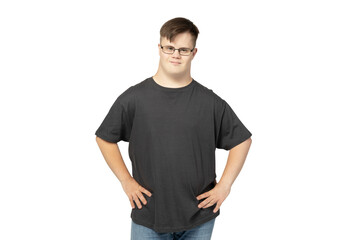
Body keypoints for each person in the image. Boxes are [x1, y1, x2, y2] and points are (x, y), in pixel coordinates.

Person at [95, 17, 252, 240]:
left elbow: (242, 140)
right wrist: (126, 181)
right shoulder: (134, 98)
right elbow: (105, 137)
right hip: (149, 214)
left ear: (194, 53)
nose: (175, 54)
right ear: (159, 49)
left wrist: (225, 185)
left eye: (183, 49)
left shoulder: (210, 103)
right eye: (169, 48)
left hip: (199, 216)